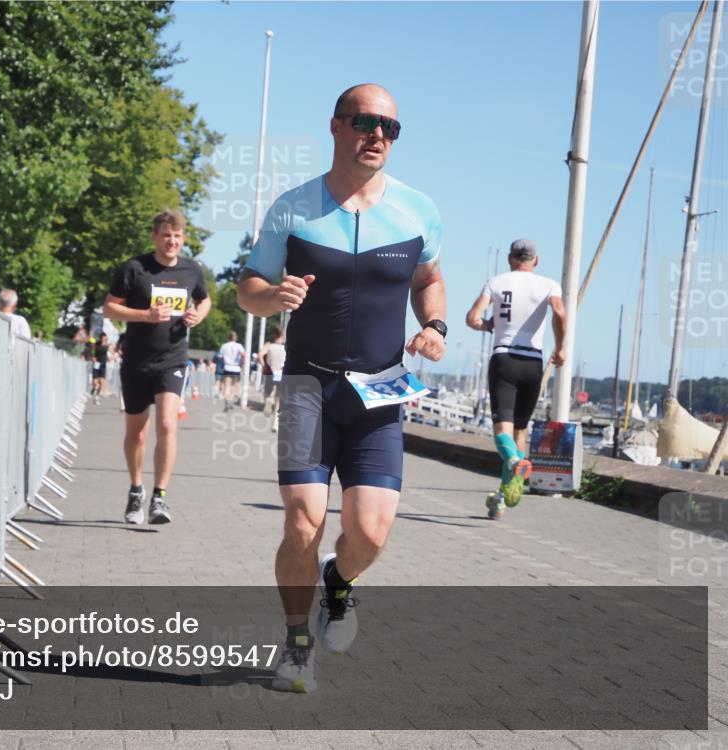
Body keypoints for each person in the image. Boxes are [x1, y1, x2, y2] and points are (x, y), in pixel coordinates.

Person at [237, 83, 446, 693]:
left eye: (389, 127)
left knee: (371, 530)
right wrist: (271, 296)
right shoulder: (293, 208)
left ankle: (339, 584)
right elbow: (247, 285)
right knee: (303, 522)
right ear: (336, 126)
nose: (377, 134)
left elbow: (430, 278)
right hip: (307, 387)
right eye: (364, 121)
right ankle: (297, 644)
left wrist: (433, 325)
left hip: (380, 391)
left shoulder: (418, 211)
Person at [103, 209, 211, 525]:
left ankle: (159, 498)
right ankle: (136, 489)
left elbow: (204, 300)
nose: (172, 241)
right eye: (166, 235)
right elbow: (109, 308)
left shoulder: (192, 271)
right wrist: (145, 316)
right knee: (137, 433)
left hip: (173, 360)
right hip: (136, 360)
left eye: (177, 236)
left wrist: (198, 315)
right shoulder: (134, 269)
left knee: (166, 424)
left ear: (183, 239)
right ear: (155, 237)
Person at [465, 239, 566, 520]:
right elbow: (559, 311)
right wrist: (560, 347)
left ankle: (513, 461)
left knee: (503, 434)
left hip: (504, 360)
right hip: (533, 362)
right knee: (520, 432)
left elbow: (472, 317)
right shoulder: (549, 284)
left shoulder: (496, 281)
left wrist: (488, 326)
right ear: (536, 261)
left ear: (510, 259)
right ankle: (505, 496)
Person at [258, 325, 287, 431]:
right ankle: (275, 423)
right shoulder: (286, 347)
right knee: (279, 400)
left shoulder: (269, 346)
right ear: (282, 335)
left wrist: (264, 365)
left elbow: (260, 355)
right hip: (282, 371)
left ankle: (269, 399)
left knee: (269, 392)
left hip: (270, 371)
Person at [218, 332, 245, 411]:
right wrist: (241, 363)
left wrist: (226, 361)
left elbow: (221, 357)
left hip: (227, 367)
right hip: (236, 368)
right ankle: (231, 400)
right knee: (234, 386)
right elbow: (243, 355)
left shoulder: (224, 346)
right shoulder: (239, 346)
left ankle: (226, 400)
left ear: (228, 337)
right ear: (235, 338)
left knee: (227, 386)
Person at [90, 332, 109, 405]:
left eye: (105, 337)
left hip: (103, 364)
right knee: (95, 382)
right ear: (101, 338)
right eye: (103, 337)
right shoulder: (96, 345)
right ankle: (94, 390)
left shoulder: (107, 345)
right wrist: (93, 357)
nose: (104, 338)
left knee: (101, 382)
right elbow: (92, 352)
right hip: (97, 363)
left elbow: (111, 351)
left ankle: (97, 396)